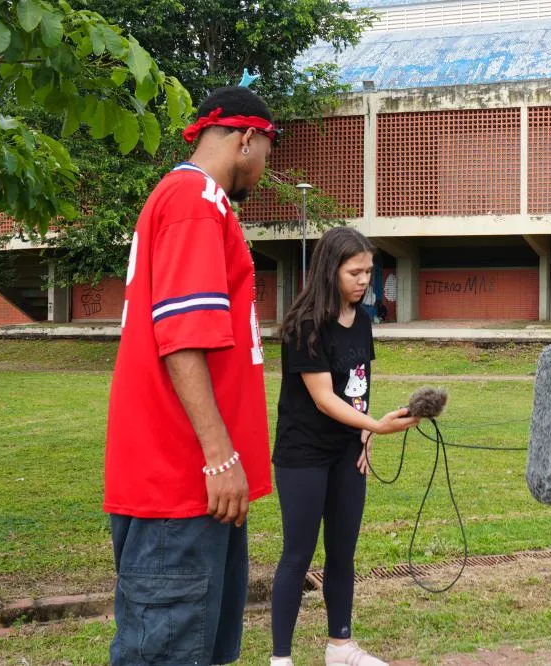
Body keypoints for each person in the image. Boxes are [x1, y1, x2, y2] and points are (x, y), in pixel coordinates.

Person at [104, 86, 280, 665]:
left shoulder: (196, 200)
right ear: (247, 139)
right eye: (267, 153)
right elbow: (182, 339)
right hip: (181, 485)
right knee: (167, 654)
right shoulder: (193, 198)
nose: (264, 169)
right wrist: (220, 456)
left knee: (199, 651)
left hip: (197, 489)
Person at [270, 227, 419, 666]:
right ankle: (281, 659)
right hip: (303, 454)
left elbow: (358, 385)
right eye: (355, 272)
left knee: (343, 551)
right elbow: (323, 398)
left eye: (369, 272)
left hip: (346, 452)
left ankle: (340, 646)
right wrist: (375, 423)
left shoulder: (364, 321)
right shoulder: (304, 325)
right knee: (297, 554)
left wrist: (367, 433)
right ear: (329, 271)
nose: (364, 281)